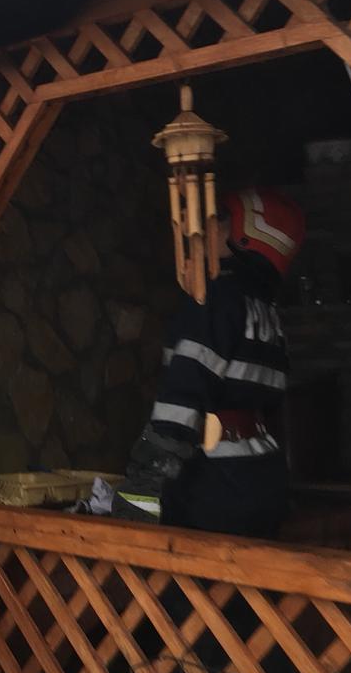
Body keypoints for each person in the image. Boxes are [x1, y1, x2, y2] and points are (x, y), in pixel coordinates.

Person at [115, 187, 305, 539]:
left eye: (220, 222)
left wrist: (143, 483)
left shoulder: (217, 301)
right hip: (261, 471)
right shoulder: (268, 313)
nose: (207, 229)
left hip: (215, 482)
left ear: (245, 238)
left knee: (184, 573)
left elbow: (183, 395)